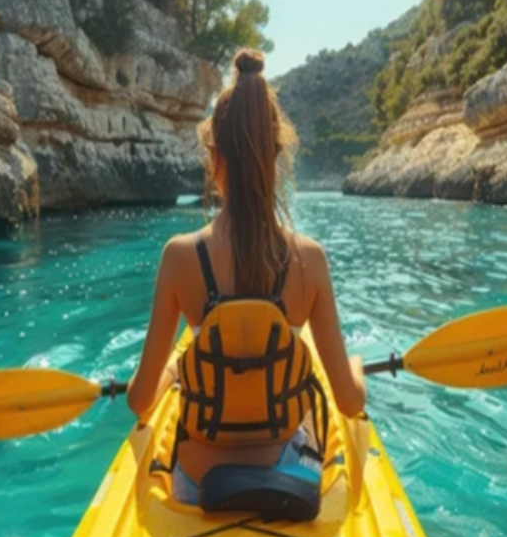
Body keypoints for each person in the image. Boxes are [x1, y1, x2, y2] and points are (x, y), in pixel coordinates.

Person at [126, 48, 367, 507]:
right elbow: (349, 403)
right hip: (285, 478)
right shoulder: (310, 260)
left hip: (196, 484)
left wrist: (173, 372)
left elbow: (139, 402)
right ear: (275, 158)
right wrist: (356, 371)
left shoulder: (179, 257)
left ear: (214, 158)